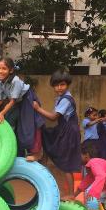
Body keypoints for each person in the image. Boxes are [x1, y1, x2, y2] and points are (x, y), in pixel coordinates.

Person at [32, 69, 81, 201]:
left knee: (66, 163)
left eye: (62, 85)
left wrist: (37, 109)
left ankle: (70, 194)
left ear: (67, 85)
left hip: (68, 132)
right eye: (57, 85)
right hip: (64, 128)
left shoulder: (66, 99)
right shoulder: (60, 98)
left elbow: (53, 116)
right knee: (45, 133)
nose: (59, 88)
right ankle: (43, 159)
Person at [0, 57, 44, 161]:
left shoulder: (15, 81)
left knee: (27, 126)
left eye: (4, 68)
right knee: (9, 123)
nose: (0, 71)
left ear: (11, 70)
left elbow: (12, 101)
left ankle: (36, 153)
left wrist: (1, 113)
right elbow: (0, 100)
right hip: (16, 102)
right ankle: (17, 153)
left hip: (26, 99)